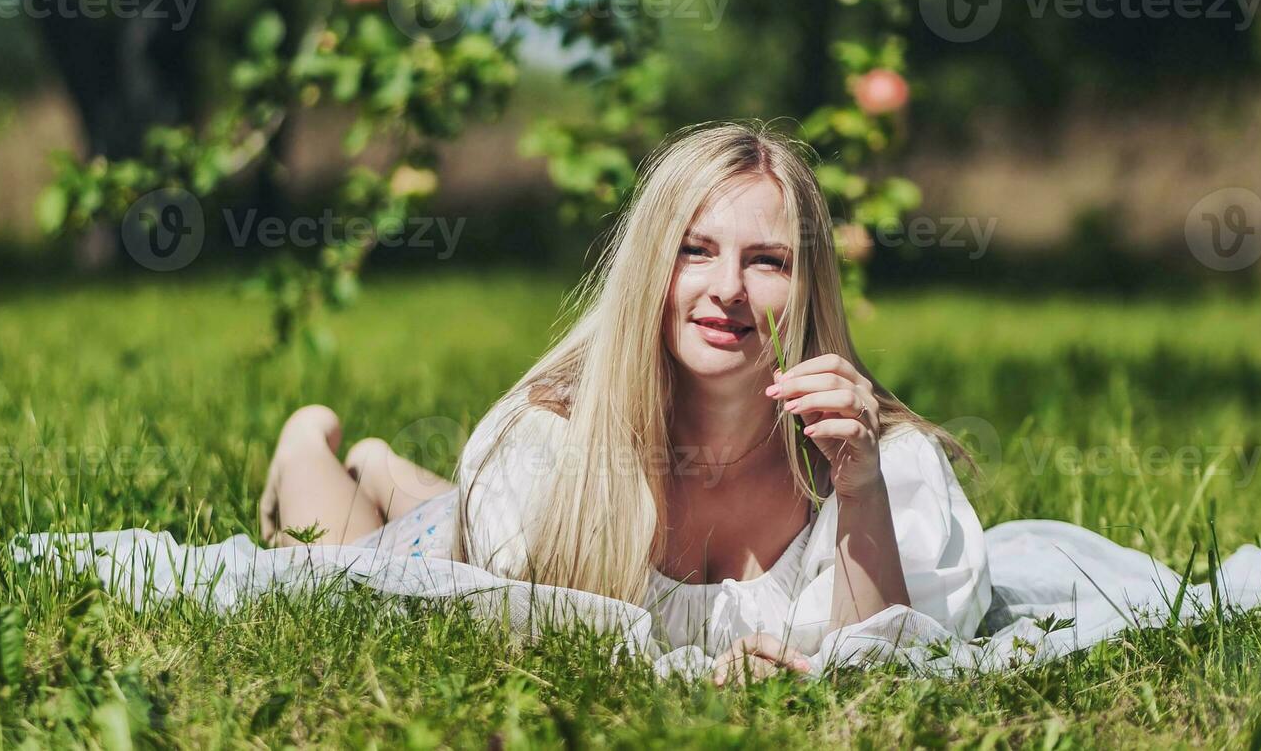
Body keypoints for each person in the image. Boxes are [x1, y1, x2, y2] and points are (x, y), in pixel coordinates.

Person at [257, 121, 991, 683]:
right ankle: (306, 444)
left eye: (767, 261)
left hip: (487, 525)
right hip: (460, 547)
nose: (728, 289)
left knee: (430, 505)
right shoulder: (545, 451)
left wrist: (860, 490)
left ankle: (384, 466)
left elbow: (885, 674)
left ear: (809, 288)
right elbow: (537, 662)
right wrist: (710, 681)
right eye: (694, 250)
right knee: (346, 564)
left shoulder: (885, 470)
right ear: (649, 267)